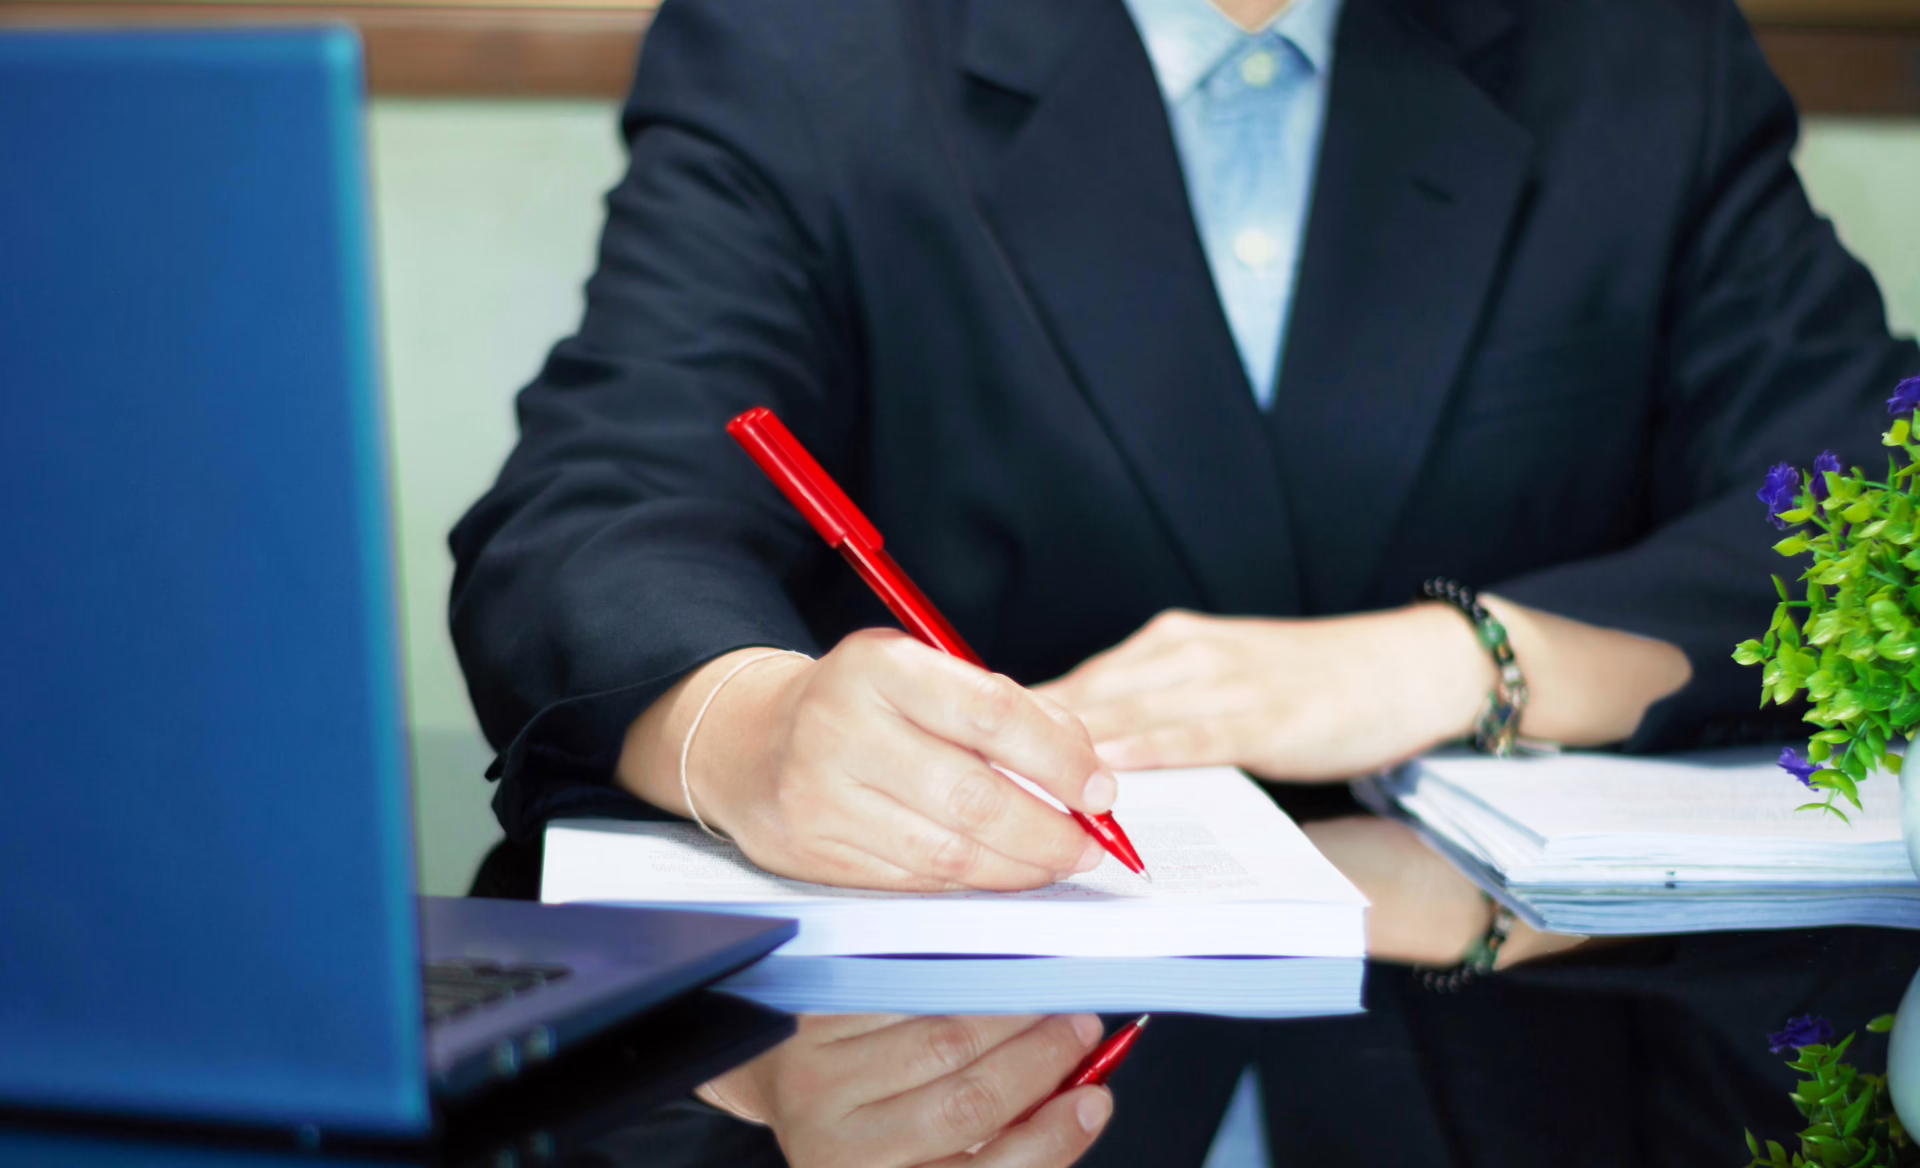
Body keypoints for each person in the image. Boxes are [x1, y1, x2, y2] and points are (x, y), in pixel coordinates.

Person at [450, 0, 1919, 1160]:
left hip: (1522, 1025)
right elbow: (591, 508)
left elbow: (1879, 504)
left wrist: (1480, 660)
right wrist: (751, 729)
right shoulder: (812, 40)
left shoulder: (1634, 48)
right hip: (957, 1042)